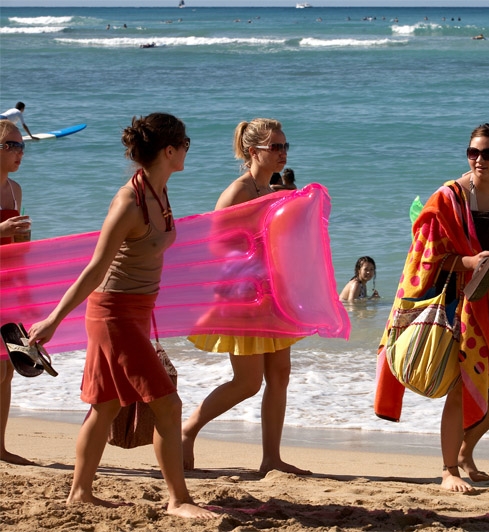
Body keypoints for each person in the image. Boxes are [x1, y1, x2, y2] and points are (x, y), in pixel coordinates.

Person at [26, 113, 214, 519]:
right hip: (113, 315)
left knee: (107, 404)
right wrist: (54, 320)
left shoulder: (159, 191)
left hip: (137, 312)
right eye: (185, 144)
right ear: (169, 150)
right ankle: (178, 500)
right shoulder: (130, 202)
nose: (188, 150)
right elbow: (96, 268)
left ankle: (80, 493)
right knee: (168, 405)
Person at [376, 123, 489, 492]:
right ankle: (448, 469)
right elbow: (425, 255)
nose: (480, 159)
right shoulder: (451, 196)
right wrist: (468, 262)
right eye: (473, 152)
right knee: (463, 387)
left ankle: (466, 449)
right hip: (463, 305)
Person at [182, 118, 311, 476]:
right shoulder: (237, 192)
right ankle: (186, 431)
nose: (283, 153)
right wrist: (254, 248)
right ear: (253, 151)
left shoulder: (270, 189)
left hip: (274, 292)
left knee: (280, 375)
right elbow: (214, 245)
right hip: (244, 295)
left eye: (285, 146)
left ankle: (271, 459)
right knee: (248, 382)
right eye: (276, 147)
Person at [0, 119, 33, 465]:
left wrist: (26, 292)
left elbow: (16, 248)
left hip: (7, 285)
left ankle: (0, 446)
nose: (19, 152)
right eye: (11, 145)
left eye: (21, 145)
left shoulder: (15, 189)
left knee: (9, 369)